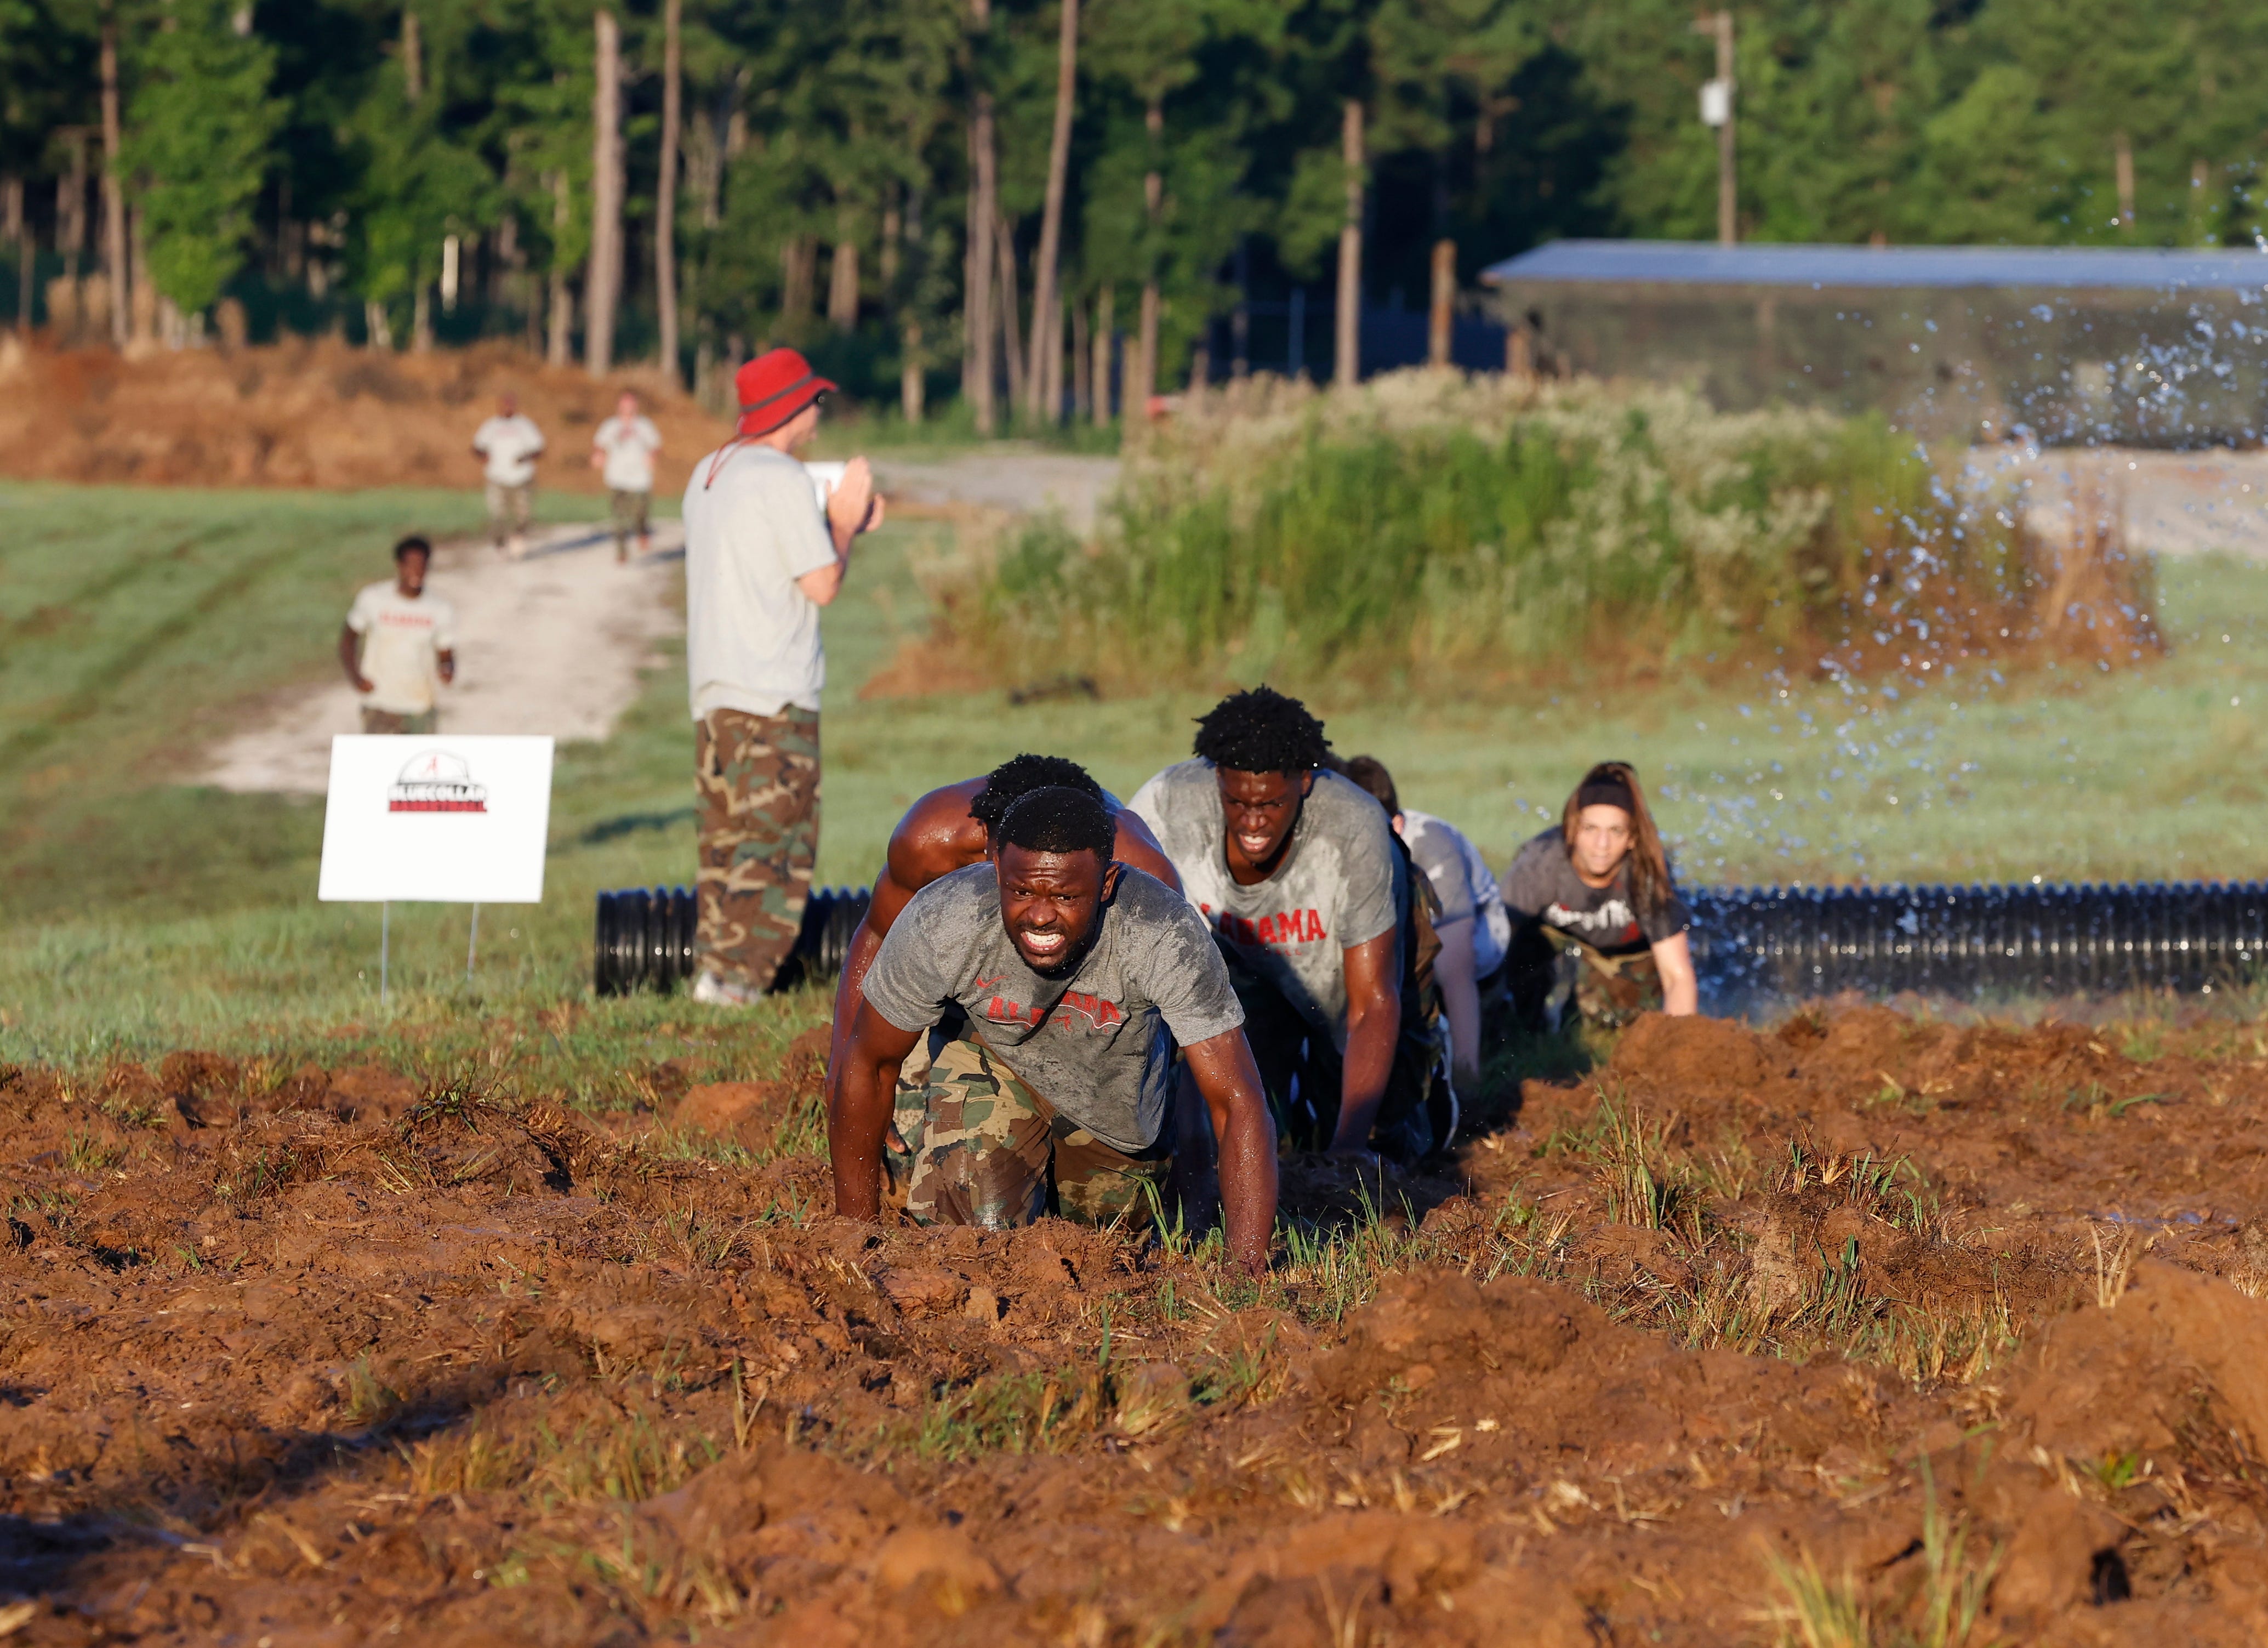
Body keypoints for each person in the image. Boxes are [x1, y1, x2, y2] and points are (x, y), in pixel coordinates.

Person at [829, 786, 1278, 1275]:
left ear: (1106, 884)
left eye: (1066, 896)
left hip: (1113, 1095)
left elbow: (1236, 1100)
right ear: (997, 868)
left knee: (1102, 1257)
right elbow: (870, 1063)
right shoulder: (944, 919)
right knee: (978, 1249)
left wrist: (1247, 1265)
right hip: (996, 1062)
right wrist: (854, 1232)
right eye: (1022, 892)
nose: (1040, 916)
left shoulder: (1162, 931)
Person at [826, 753, 1183, 1192]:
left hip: (1090, 1011)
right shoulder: (930, 841)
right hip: (970, 999)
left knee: (1105, 1199)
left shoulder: (1141, 870)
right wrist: (841, 1074)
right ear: (988, 845)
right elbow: (878, 939)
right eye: (1015, 871)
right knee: (907, 1165)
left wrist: (1190, 1146)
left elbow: (1181, 1015)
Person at [1129, 687, 1446, 1162]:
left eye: (1271, 805)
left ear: (1304, 781)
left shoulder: (1354, 825)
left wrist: (1347, 1153)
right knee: (1235, 1128)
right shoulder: (1167, 804)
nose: (1253, 822)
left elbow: (1372, 1002)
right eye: (1237, 802)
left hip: (1344, 970)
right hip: (1237, 970)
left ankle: (1427, 1097)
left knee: (1389, 1139)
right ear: (1216, 779)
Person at [682, 346, 883, 1006]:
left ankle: (715, 974)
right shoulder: (781, 478)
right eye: (814, 400)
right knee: (778, 841)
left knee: (725, 839)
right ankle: (743, 982)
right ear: (793, 408)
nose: (819, 412)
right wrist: (845, 527)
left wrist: (829, 523)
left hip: (716, 689)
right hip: (775, 691)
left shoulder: (708, 472)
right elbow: (822, 583)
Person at [1341, 755, 1508, 1094]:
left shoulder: (1432, 846)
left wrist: (1467, 1081)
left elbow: (1456, 971)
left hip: (1473, 939)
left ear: (1397, 827)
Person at [1502, 761, 1699, 1031]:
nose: (1601, 845)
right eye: (1590, 829)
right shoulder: (1539, 864)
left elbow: (1677, 977)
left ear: (1632, 838)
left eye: (1615, 831)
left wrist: (1678, 1050)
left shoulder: (1646, 873)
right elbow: (1494, 950)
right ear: (1572, 830)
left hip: (1622, 957)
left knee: (1621, 1023)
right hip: (1554, 951)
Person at [339, 535, 455, 734]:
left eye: (422, 565)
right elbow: (348, 639)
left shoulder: (440, 609)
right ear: (399, 565)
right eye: (410, 565)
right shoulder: (374, 599)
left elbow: (446, 651)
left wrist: (447, 668)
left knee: (419, 764)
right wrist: (356, 677)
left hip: (421, 707)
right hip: (381, 704)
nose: (416, 571)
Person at [590, 389, 663, 562]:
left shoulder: (644, 425)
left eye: (631, 405)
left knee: (640, 513)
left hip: (640, 478)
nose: (628, 409)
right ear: (619, 407)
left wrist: (652, 455)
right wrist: (599, 455)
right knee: (619, 516)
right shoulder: (611, 426)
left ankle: (642, 532)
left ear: (636, 407)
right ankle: (621, 550)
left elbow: (655, 444)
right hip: (617, 477)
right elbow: (599, 444)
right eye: (625, 405)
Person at [471, 392, 545, 556]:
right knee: (497, 514)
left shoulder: (525, 426)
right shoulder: (491, 426)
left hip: (522, 478)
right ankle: (500, 544)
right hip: (497, 477)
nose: (508, 408)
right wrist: (484, 456)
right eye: (505, 404)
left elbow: (539, 449)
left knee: (523, 515)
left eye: (511, 404)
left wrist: (525, 458)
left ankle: (518, 538)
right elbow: (476, 447)